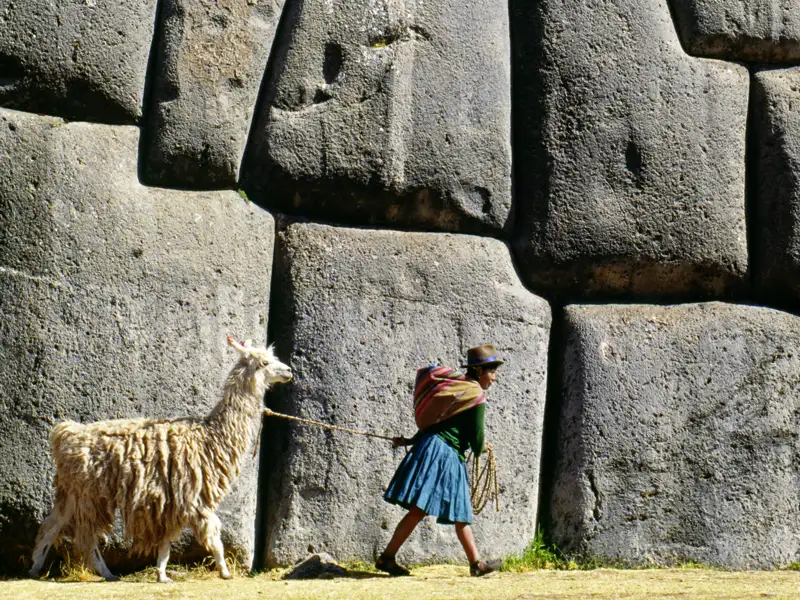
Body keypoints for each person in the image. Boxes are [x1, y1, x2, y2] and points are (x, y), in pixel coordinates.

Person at [376, 344, 504, 577]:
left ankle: (389, 558)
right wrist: (481, 446)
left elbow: (436, 422)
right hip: (444, 454)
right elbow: (476, 439)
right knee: (445, 509)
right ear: (478, 371)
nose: (494, 378)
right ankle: (475, 564)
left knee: (430, 509)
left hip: (432, 448)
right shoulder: (476, 395)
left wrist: (411, 440)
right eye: (491, 371)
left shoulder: (456, 389)